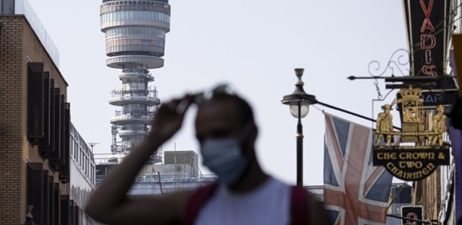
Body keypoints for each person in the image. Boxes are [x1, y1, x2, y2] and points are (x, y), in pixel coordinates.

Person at [85, 84, 331, 225]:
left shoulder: (300, 209)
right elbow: (100, 209)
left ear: (251, 133)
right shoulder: (192, 204)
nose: (211, 145)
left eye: (220, 133)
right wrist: (154, 139)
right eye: (202, 138)